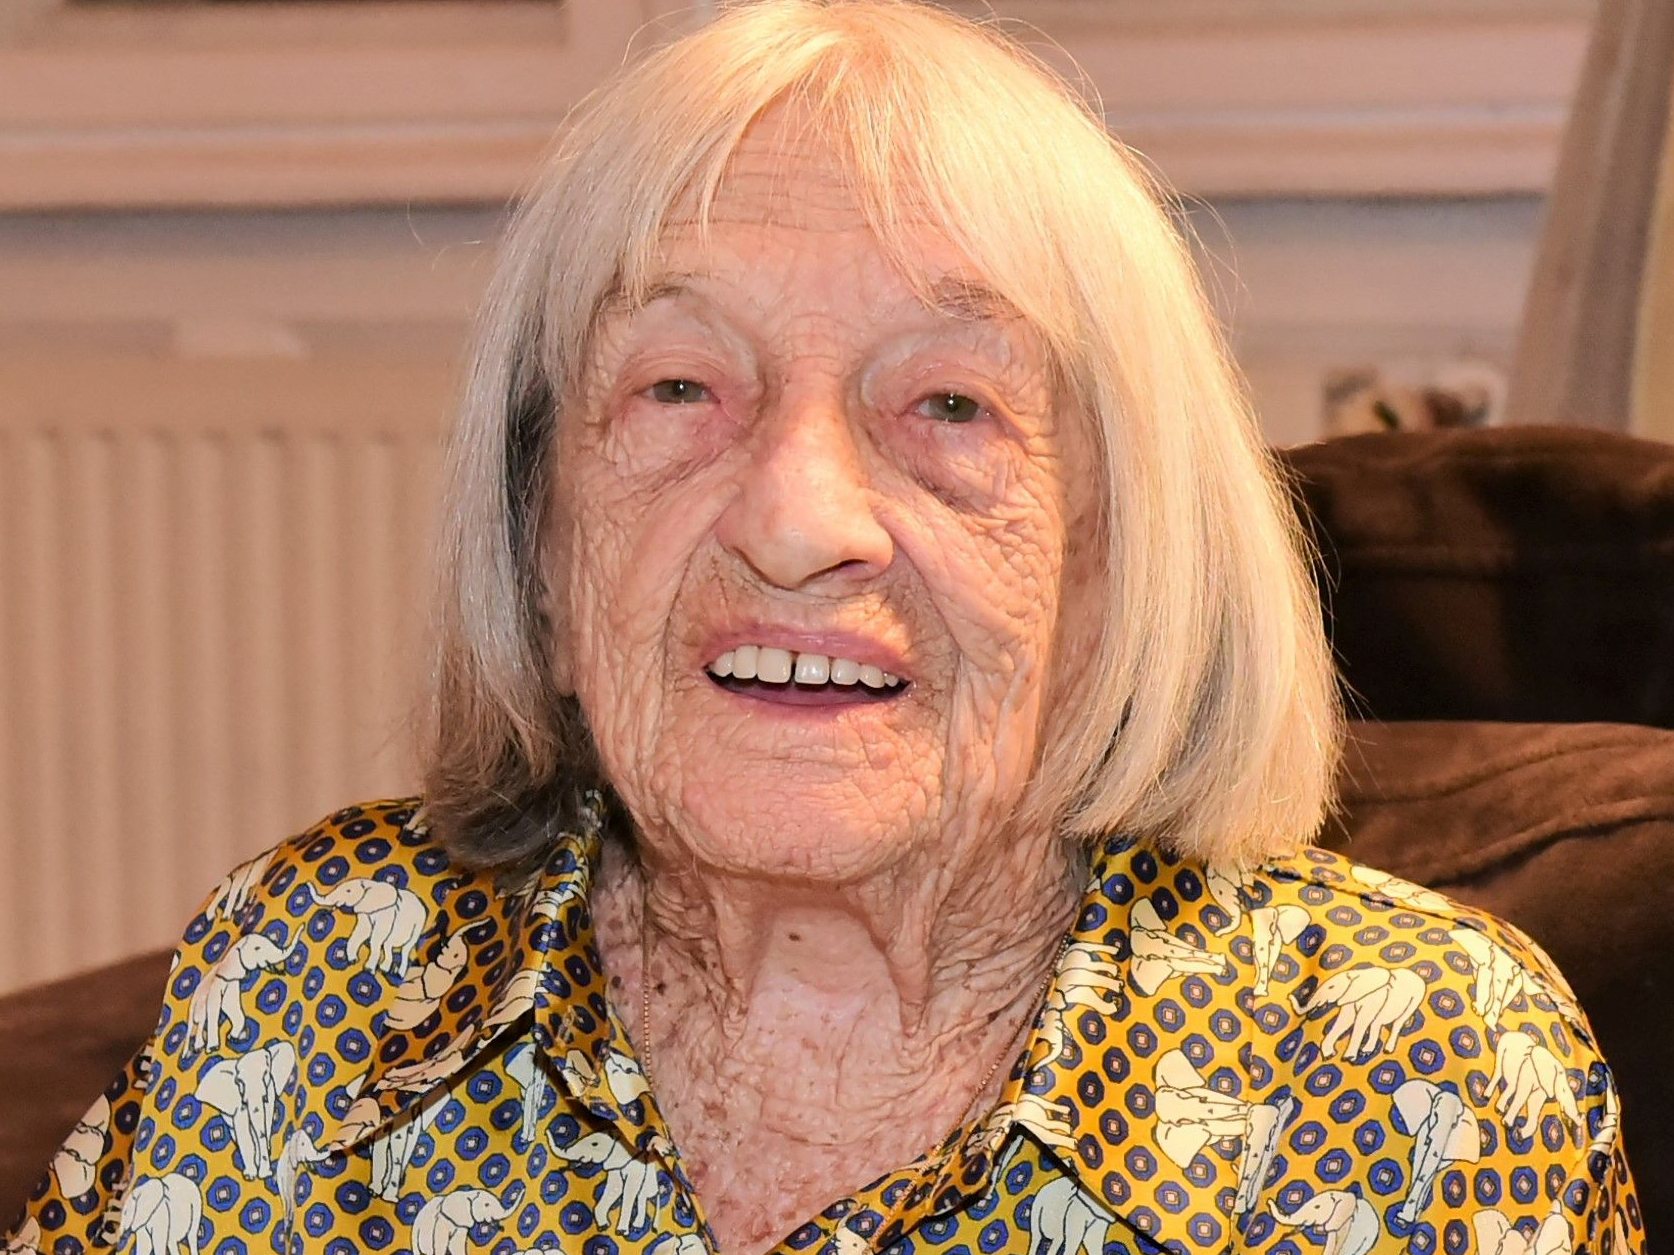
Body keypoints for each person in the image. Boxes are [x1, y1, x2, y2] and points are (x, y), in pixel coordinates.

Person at [6, 1, 1640, 1252]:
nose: (796, 520)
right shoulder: (316, 973)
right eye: (678, 387)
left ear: (1119, 560)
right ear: (544, 545)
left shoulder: (1414, 1075)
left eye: (947, 403)